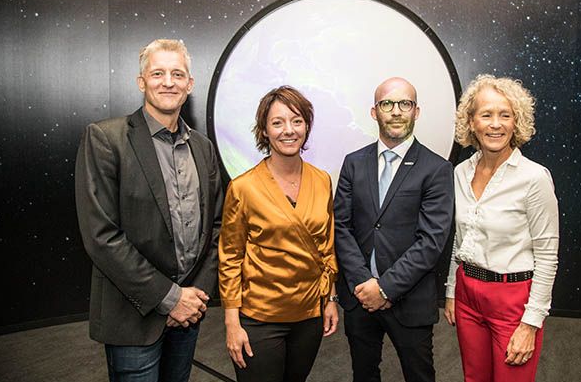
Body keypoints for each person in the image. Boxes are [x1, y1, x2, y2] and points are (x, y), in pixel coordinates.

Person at [75, 39, 223, 382]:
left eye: (177, 74)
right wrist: (170, 299)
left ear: (190, 84)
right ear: (142, 81)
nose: (168, 82)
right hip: (132, 316)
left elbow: (216, 228)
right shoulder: (105, 139)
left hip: (189, 313)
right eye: (158, 73)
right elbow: (101, 236)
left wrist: (194, 297)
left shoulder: (203, 148)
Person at [334, 77, 454, 382]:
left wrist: (385, 288)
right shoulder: (353, 163)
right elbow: (342, 227)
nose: (396, 111)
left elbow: (431, 241)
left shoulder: (436, 169)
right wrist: (364, 285)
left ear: (416, 111)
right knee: (363, 375)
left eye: (405, 104)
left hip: (409, 300)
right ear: (375, 112)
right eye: (387, 104)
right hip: (359, 297)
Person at [218, 85, 339, 382]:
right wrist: (232, 323)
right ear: (264, 130)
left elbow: (326, 246)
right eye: (278, 122)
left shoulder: (322, 180)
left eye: (297, 121)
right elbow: (230, 258)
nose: (289, 130)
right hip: (259, 319)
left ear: (307, 127)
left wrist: (331, 299)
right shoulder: (243, 187)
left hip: (309, 315)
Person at [444, 74, 559, 382]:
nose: (495, 124)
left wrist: (531, 324)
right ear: (471, 122)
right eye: (486, 114)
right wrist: (453, 292)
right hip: (468, 292)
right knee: (474, 379)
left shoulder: (533, 178)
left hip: (513, 300)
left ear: (515, 122)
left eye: (504, 115)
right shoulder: (460, 173)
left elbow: (547, 256)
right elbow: (460, 238)